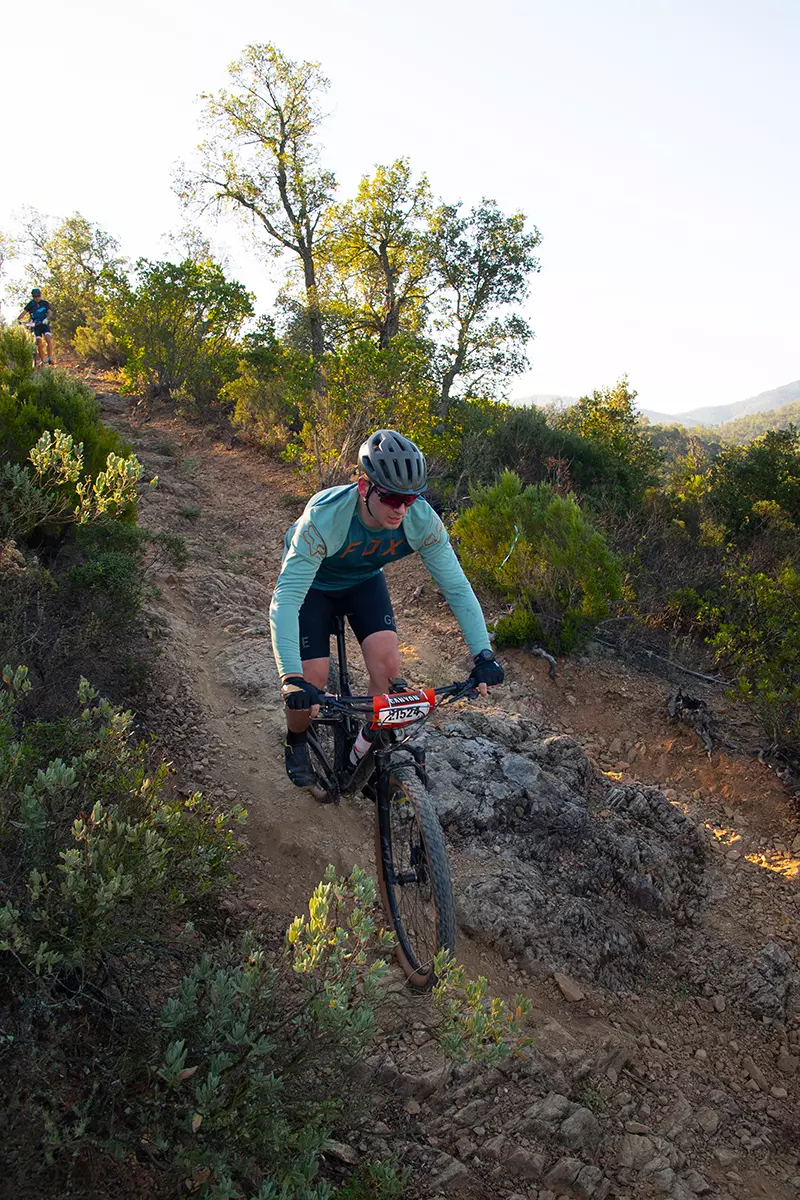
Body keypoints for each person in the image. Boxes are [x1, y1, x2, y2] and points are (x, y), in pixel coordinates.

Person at [269, 429, 504, 787]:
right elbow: (286, 598)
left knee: (389, 665)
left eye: (411, 499)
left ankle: (368, 749)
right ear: (365, 488)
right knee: (312, 678)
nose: (401, 509)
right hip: (314, 586)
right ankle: (297, 740)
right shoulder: (323, 520)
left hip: (363, 580)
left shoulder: (421, 521)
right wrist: (291, 678)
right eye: (392, 497)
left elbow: (456, 587)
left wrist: (483, 655)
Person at [18, 288, 54, 367]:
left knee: (48, 339)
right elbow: (24, 313)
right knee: (39, 342)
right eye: (35, 296)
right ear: (33, 297)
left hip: (44, 324)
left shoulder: (45, 303)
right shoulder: (30, 304)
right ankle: (42, 360)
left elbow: (50, 312)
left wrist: (46, 319)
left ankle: (50, 357)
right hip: (35, 326)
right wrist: (19, 320)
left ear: (40, 296)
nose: (37, 298)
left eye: (38, 296)